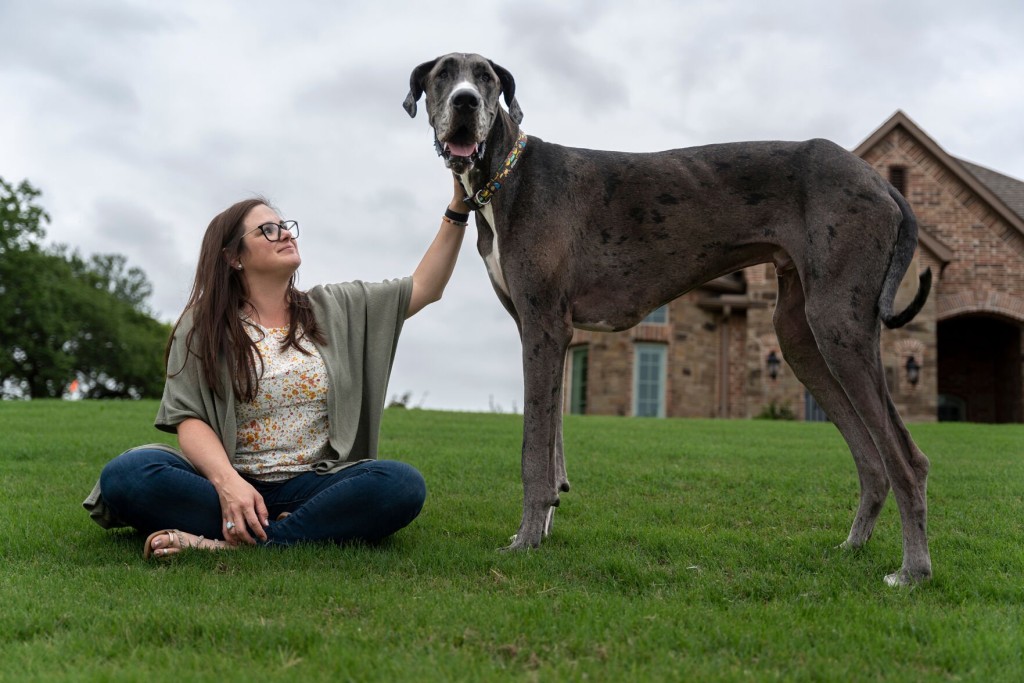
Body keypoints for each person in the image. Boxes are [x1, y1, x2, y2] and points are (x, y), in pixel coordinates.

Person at [83, 176, 472, 558]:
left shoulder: (336, 307)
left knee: (400, 484)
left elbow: (425, 287)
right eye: (267, 230)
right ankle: (290, 530)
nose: (285, 234)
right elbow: (189, 418)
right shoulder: (203, 324)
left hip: (314, 485)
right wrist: (228, 484)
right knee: (127, 474)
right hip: (228, 484)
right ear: (233, 257)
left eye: (285, 227)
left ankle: (231, 545)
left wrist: (458, 208)